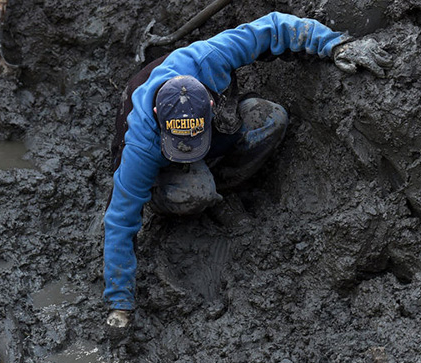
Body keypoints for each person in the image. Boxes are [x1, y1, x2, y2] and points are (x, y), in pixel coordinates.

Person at [103, 11, 392, 329]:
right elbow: (121, 219)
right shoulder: (140, 143)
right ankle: (206, 192)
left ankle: (222, 183)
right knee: (194, 191)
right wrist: (120, 305)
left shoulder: (210, 58)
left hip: (218, 131)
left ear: (210, 104)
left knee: (272, 118)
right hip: (166, 170)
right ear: (158, 114)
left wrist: (336, 44)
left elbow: (274, 26)